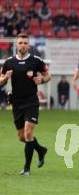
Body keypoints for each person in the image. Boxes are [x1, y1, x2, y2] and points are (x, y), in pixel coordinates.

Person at [0, 33, 50, 175]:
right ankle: (41, 150)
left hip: (31, 102)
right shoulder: (8, 62)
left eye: (25, 43)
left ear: (28, 45)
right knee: (22, 137)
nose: (22, 45)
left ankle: (27, 169)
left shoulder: (36, 61)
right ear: (16, 45)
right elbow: (0, 81)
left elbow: (48, 75)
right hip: (16, 103)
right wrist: (5, 78)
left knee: (28, 133)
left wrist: (42, 80)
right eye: (20, 42)